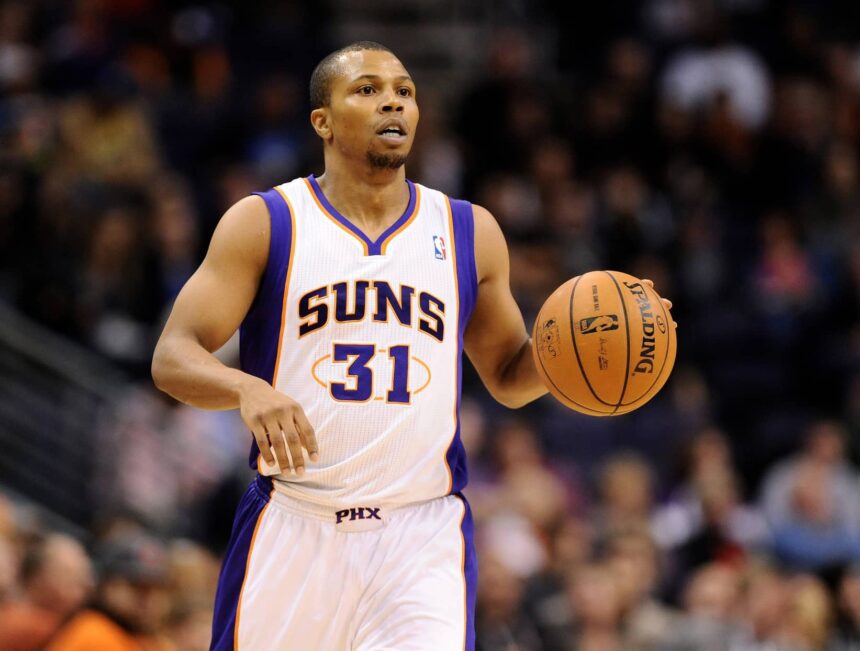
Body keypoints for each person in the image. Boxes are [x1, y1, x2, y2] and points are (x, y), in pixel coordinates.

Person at [151, 41, 670, 650]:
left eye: (404, 90)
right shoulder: (267, 222)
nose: (392, 100)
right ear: (322, 120)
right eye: (367, 89)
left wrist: (582, 356)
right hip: (295, 521)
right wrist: (245, 388)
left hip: (419, 535)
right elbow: (172, 356)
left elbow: (507, 372)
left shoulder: (468, 230)